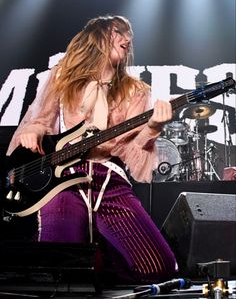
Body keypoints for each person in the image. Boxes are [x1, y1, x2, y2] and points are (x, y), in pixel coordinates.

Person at [7, 15, 177, 284]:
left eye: (129, 35)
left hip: (108, 179)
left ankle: (100, 269)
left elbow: (130, 152)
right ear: (97, 36)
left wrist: (153, 127)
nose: (127, 39)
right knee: (59, 264)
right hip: (62, 179)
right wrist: (33, 130)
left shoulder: (136, 90)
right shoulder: (63, 77)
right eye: (118, 32)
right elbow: (41, 118)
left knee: (159, 267)